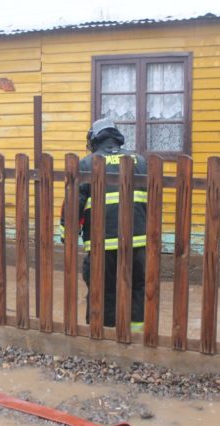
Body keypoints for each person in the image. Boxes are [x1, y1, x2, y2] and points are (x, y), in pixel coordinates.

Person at [68, 118, 148, 329]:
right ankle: (134, 333)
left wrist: (66, 232)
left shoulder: (87, 163)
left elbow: (74, 203)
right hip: (137, 242)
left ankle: (105, 332)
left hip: (101, 244)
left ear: (95, 139)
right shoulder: (139, 161)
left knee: (102, 288)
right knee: (137, 287)